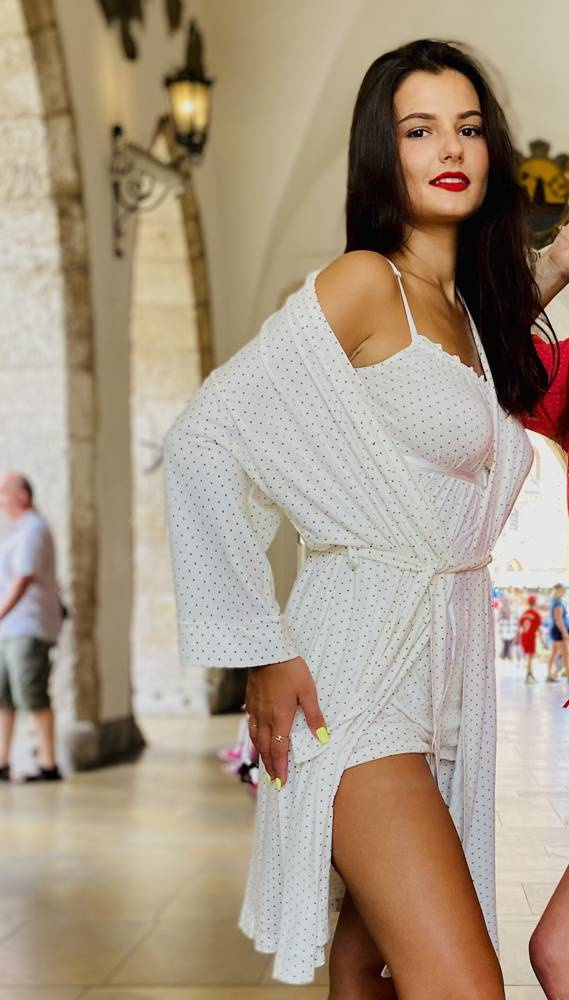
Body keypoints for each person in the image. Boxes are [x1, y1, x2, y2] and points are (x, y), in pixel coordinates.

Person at [164, 40, 568, 998]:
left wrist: (552, 265)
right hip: (356, 676)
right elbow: (202, 440)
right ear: (381, 155)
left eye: (467, 127)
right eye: (418, 129)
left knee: (369, 975)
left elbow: (475, 366)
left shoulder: (466, 312)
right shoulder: (363, 282)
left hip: (447, 674)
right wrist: (261, 649)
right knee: (462, 986)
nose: (449, 148)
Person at [0, 473, 63, 782]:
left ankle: (48, 764)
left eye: (3, 492)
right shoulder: (16, 531)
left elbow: (22, 578)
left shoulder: (33, 529)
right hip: (9, 628)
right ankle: (2, 760)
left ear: (22, 496)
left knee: (31, 692)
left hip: (28, 626)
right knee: (4, 695)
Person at [546, 583, 569, 682]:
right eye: (563, 590)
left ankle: (551, 674)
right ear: (559, 591)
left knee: (554, 653)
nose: (564, 592)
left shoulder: (554, 601)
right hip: (558, 631)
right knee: (565, 654)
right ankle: (567, 675)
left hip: (555, 630)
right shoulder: (558, 603)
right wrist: (564, 632)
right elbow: (558, 620)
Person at [518, 594, 542, 683]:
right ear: (535, 603)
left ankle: (530, 674)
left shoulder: (524, 613)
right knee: (530, 657)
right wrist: (543, 641)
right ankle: (528, 676)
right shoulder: (536, 614)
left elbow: (520, 625)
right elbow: (538, 629)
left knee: (529, 656)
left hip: (524, 636)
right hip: (531, 637)